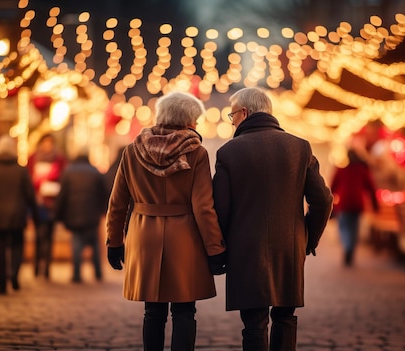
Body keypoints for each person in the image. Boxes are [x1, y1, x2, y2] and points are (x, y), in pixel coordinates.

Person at [212, 87, 333, 351]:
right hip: (289, 247)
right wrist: (306, 240)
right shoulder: (300, 148)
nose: (232, 122)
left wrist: (219, 253)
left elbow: (219, 209)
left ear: (243, 113)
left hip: (246, 250)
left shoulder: (228, 152)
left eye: (232, 116)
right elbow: (323, 200)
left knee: (254, 324)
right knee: (285, 318)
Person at [106, 91, 226, 351]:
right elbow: (203, 207)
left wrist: (114, 242)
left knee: (153, 311)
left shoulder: (132, 150)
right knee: (184, 311)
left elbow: (117, 203)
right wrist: (215, 249)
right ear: (188, 120)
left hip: (143, 234)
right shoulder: (197, 153)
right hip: (184, 238)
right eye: (195, 119)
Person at [0, 135, 38, 295]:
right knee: (17, 246)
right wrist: (34, 213)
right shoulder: (21, 170)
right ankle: (13, 274)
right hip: (17, 214)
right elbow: (30, 194)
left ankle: (1, 282)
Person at [54, 146, 108, 283]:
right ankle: (98, 272)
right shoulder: (95, 172)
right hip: (92, 215)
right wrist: (103, 210)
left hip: (73, 214)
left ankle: (77, 274)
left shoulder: (68, 172)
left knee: (77, 243)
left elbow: (62, 196)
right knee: (95, 243)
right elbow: (104, 193)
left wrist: (59, 215)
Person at [330, 147, 379, 266]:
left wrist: (329, 204)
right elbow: (371, 187)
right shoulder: (362, 170)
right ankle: (350, 247)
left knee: (344, 226)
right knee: (354, 227)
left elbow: (332, 187)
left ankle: (347, 246)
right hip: (357, 203)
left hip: (344, 203)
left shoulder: (341, 170)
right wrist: (375, 204)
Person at [27, 133, 66, 279]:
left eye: (50, 142)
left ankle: (47, 268)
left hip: (52, 203)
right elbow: (28, 178)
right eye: (45, 142)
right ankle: (37, 267)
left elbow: (64, 178)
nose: (47, 145)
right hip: (38, 203)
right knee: (38, 236)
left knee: (49, 236)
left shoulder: (60, 159)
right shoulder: (33, 158)